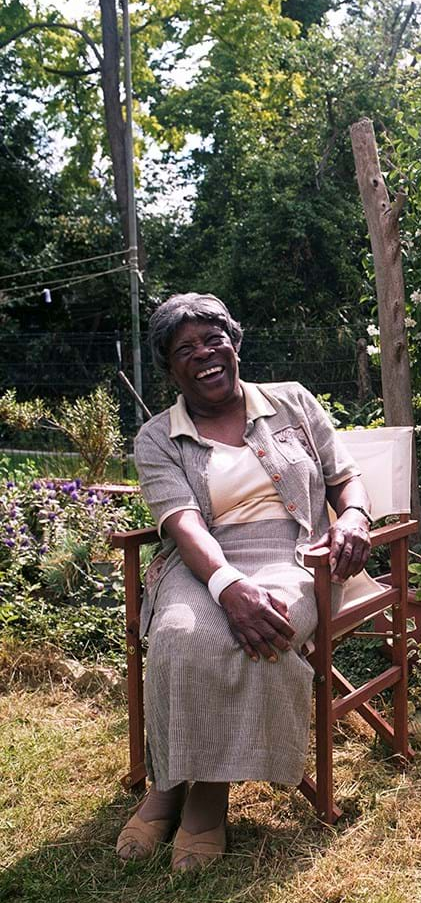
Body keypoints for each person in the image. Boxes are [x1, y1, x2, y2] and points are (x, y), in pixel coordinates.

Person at [116, 293, 373, 871]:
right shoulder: (158, 437)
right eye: (186, 349)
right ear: (168, 366)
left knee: (259, 631)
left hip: (296, 555)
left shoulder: (292, 403)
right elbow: (181, 522)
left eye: (214, 339)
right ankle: (171, 782)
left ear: (235, 343)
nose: (205, 355)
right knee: (181, 635)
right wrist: (228, 585)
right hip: (202, 562)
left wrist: (354, 516)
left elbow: (344, 478)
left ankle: (202, 801)